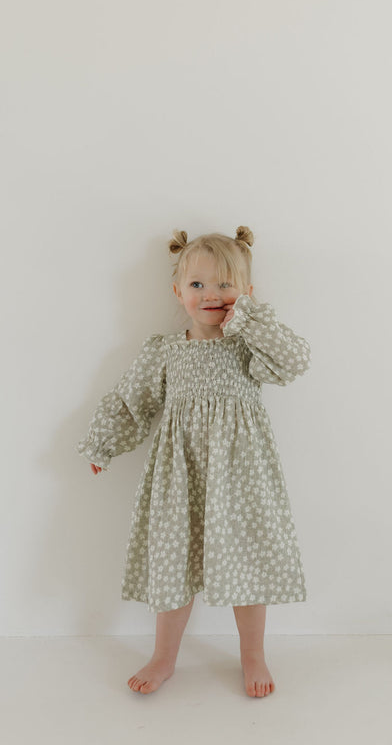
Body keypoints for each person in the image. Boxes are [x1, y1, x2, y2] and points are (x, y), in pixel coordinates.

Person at [77, 225, 311, 698]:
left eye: (226, 285)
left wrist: (246, 320)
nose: (212, 295)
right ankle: (164, 657)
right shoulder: (165, 351)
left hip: (241, 477)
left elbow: (295, 361)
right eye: (198, 285)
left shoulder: (248, 347)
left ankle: (253, 655)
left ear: (246, 293)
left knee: (247, 564)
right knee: (174, 564)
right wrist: (103, 444)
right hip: (180, 478)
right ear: (178, 292)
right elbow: (132, 401)